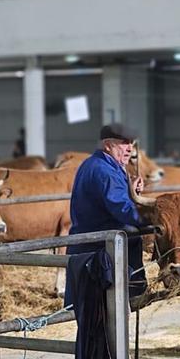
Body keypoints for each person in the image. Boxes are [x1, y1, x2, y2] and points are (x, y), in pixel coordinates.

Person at [64, 123, 147, 306]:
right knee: (100, 314)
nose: (130, 149)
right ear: (108, 145)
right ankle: (134, 291)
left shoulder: (95, 163)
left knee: (90, 315)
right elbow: (122, 209)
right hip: (98, 250)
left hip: (85, 245)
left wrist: (130, 191)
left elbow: (111, 199)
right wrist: (148, 219)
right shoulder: (105, 171)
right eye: (124, 143)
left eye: (132, 143)